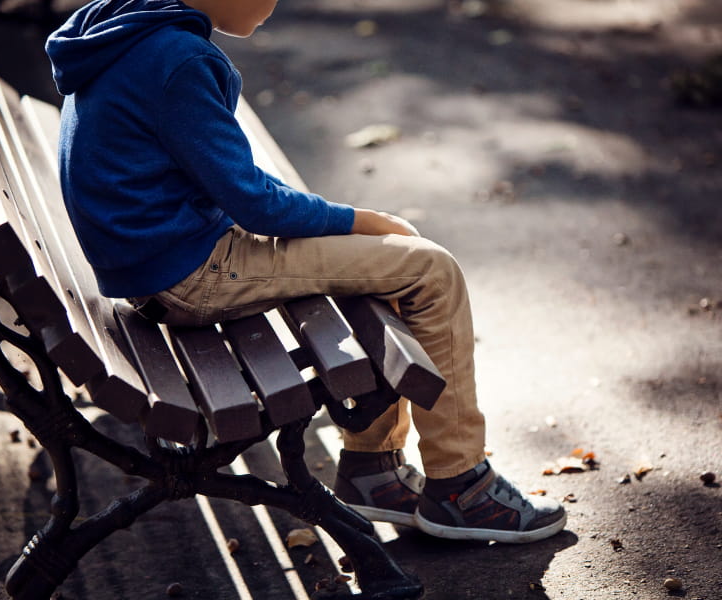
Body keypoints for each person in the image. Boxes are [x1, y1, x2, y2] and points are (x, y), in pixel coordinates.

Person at [45, 0, 566, 543]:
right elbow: (256, 204)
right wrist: (361, 219)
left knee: (382, 265)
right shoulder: (178, 58)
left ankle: (374, 473)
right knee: (430, 270)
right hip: (194, 273)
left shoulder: (121, 26)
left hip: (157, 265)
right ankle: (462, 487)